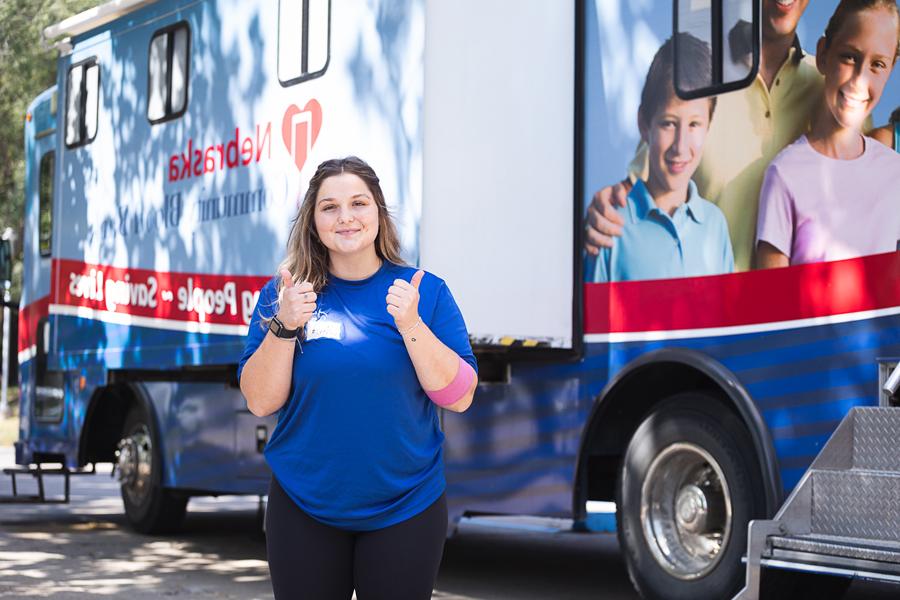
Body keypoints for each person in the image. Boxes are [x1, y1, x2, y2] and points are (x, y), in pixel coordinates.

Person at [238, 156, 478, 600]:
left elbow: (460, 397)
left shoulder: (425, 292)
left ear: (379, 213)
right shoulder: (285, 295)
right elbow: (259, 401)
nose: (345, 217)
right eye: (329, 207)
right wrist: (285, 324)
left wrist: (411, 325)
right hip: (303, 505)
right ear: (313, 220)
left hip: (406, 506)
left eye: (358, 203)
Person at [585, 0, 820, 271]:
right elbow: (636, 187)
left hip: (793, 309)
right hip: (706, 305)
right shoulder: (700, 76)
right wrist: (602, 216)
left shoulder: (830, 89)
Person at [756, 0, 900, 267]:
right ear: (823, 55)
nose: (859, 80)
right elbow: (771, 301)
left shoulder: (895, 172)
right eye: (849, 57)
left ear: (890, 70)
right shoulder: (785, 173)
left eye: (877, 65)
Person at [585, 34, 733, 282]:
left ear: (709, 125)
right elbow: (595, 320)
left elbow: (726, 316)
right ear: (644, 124)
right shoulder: (610, 226)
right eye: (668, 123)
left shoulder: (715, 225)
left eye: (695, 124)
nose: (680, 145)